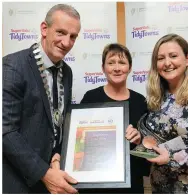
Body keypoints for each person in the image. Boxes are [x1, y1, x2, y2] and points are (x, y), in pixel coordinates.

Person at [3, 4, 81, 193]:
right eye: (61, 33)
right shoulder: (14, 65)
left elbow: (57, 121)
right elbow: (5, 131)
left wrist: (56, 155)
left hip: (55, 177)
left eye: (73, 37)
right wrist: (44, 173)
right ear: (44, 29)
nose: (66, 42)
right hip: (18, 181)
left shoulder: (67, 72)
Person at [128, 34, 188, 193]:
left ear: (187, 59)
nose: (167, 63)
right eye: (160, 58)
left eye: (173, 56)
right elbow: (160, 140)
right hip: (160, 187)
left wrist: (172, 157)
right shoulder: (157, 97)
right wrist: (142, 140)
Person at [80, 43, 151, 194]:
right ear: (103, 68)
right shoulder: (91, 97)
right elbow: (79, 139)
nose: (117, 68)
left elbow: (149, 145)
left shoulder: (140, 101)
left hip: (130, 182)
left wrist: (140, 140)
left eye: (122, 62)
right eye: (111, 63)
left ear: (130, 68)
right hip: (95, 181)